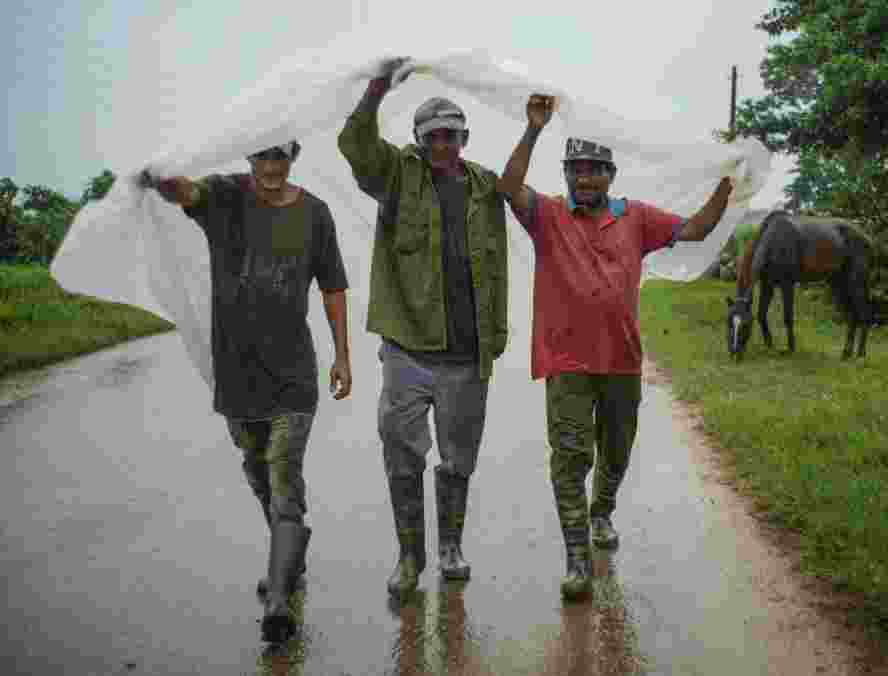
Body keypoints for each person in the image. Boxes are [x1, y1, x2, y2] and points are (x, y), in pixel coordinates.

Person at [497, 94, 734, 600]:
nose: (585, 179)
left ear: (610, 174)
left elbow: (696, 229)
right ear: (566, 175)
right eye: (577, 170)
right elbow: (508, 187)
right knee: (569, 455)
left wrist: (726, 185)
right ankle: (578, 559)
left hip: (622, 360)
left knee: (617, 451)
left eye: (595, 171)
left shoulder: (637, 218)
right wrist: (534, 129)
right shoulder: (548, 215)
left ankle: (601, 511)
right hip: (565, 360)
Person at [140, 140, 352, 642]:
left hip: (294, 377)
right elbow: (185, 192)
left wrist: (343, 354)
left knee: (283, 476)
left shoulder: (315, 214)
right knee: (257, 471)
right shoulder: (225, 197)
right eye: (262, 157)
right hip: (237, 377)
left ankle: (278, 599)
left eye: (280, 157)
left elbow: (333, 285)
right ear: (248, 160)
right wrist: (158, 180)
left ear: (293, 157)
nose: (272, 167)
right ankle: (290, 557)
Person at [337, 60, 509, 598]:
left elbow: (502, 259)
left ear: (464, 138)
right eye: (432, 135)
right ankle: (409, 558)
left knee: (458, 459)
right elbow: (355, 142)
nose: (442, 144)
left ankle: (450, 548)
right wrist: (376, 88)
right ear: (418, 139)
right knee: (402, 454)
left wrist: (497, 335)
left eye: (450, 135)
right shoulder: (396, 175)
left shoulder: (486, 186)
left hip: (467, 353)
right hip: (408, 349)